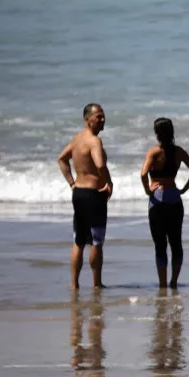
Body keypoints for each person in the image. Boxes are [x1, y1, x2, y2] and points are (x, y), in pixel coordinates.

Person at [140, 118, 189, 289]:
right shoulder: (178, 152)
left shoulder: (153, 152)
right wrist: (184, 189)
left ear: (157, 134)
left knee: (160, 244)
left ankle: (162, 285)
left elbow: (143, 174)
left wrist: (147, 190)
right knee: (176, 243)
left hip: (157, 199)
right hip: (174, 198)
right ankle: (173, 282)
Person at [57, 103, 112, 289]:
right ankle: (97, 283)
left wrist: (72, 183)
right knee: (96, 241)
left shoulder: (77, 139)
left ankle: (74, 285)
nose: (103, 120)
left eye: (103, 116)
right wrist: (109, 183)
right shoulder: (94, 141)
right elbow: (100, 165)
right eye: (99, 117)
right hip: (93, 195)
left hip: (79, 193)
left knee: (79, 240)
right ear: (87, 120)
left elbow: (62, 159)